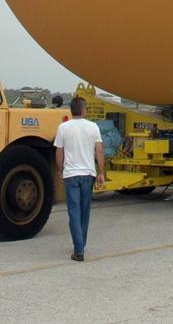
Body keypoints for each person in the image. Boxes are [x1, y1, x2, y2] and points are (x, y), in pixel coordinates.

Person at [53, 96, 105, 261]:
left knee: (74, 212)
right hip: (88, 174)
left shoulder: (63, 128)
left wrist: (60, 171)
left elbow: (59, 152)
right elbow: (99, 151)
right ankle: (81, 244)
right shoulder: (93, 127)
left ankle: (79, 249)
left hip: (71, 175)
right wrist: (101, 172)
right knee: (85, 211)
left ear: (72, 110)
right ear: (83, 110)